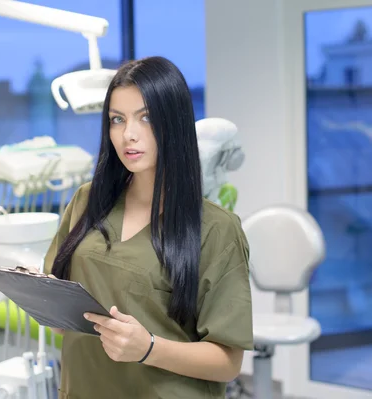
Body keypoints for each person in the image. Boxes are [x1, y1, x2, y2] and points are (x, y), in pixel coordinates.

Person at [43, 56, 253, 398]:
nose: (128, 134)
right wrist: (40, 296)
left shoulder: (216, 229)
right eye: (117, 119)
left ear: (175, 123)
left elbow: (228, 362)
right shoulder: (86, 201)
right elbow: (61, 321)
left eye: (146, 117)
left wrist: (149, 348)